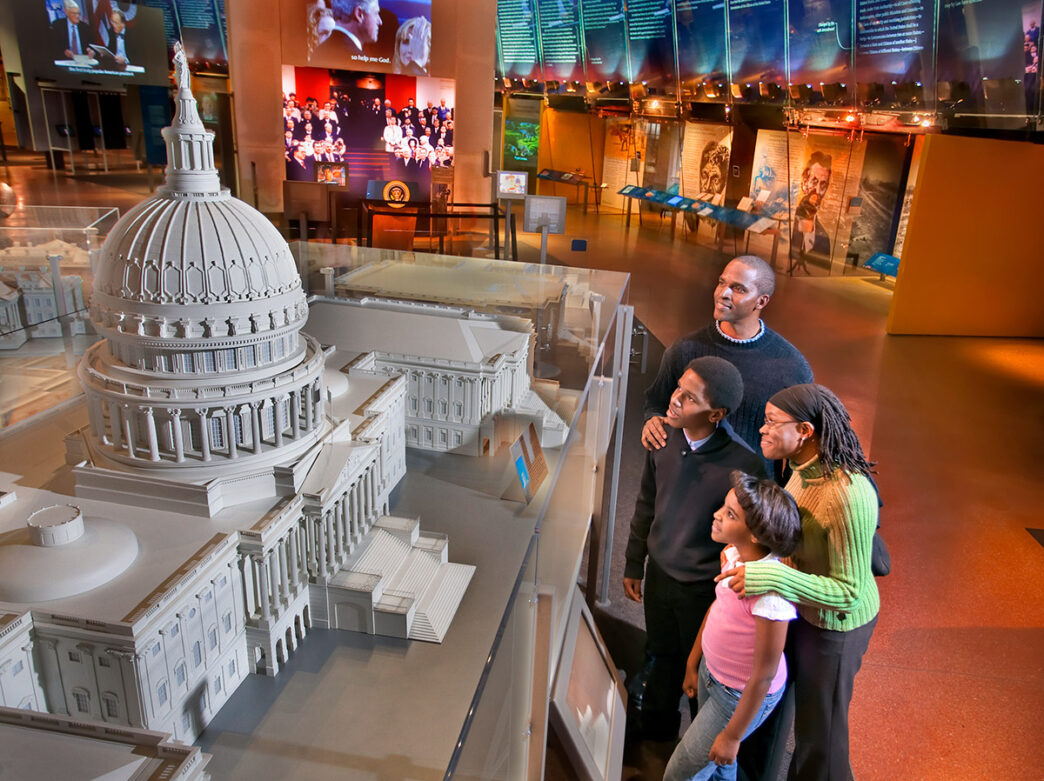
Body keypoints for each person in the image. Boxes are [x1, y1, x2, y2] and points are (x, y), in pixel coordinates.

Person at [720, 383, 880, 781]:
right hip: (801, 610)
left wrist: (773, 574)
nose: (762, 429)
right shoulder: (799, 469)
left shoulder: (846, 493)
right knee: (781, 716)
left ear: (806, 431)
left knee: (820, 739)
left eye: (772, 422)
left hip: (835, 628)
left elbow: (848, 592)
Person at [624, 357, 767, 741]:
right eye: (678, 388)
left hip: (704, 591)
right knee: (658, 656)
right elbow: (645, 502)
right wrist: (634, 562)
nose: (674, 400)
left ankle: (696, 752)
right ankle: (655, 738)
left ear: (716, 413)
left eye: (689, 397)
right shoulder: (662, 439)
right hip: (659, 576)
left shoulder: (745, 465)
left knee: (700, 675)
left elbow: (756, 536)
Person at [664, 472, 802, 781]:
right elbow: (719, 608)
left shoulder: (771, 597)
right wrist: (693, 659)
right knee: (717, 764)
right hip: (711, 673)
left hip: (738, 694)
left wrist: (733, 736)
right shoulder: (732, 554)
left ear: (755, 533)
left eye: (729, 514)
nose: (716, 515)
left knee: (680, 773)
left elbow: (764, 674)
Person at [642, 256, 813, 465]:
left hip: (754, 491)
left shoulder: (792, 366)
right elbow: (656, 404)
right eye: (722, 282)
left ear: (761, 301)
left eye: (738, 288)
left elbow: (801, 444)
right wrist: (652, 421)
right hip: (692, 484)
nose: (723, 294)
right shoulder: (683, 350)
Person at [792, 151, 832, 266]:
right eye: (814, 181)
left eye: (823, 184)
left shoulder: (824, 240)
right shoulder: (787, 228)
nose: (818, 191)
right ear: (804, 182)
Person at [313, 0, 382, 60]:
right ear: (359, 14)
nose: (380, 22)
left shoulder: (317, 52)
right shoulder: (359, 60)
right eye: (376, 13)